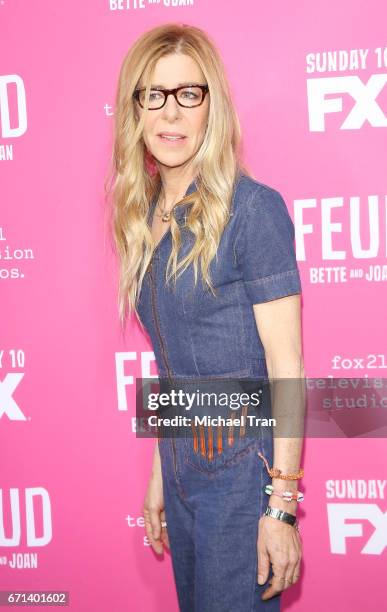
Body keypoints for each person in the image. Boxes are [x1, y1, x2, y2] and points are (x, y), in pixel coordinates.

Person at [107, 22, 305, 612]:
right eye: (154, 94)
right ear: (135, 109)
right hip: (184, 468)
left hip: (243, 478)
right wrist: (161, 474)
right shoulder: (145, 218)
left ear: (211, 105)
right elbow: (175, 361)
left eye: (188, 94)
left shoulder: (253, 210)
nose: (171, 114)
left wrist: (281, 505)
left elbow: (287, 364)